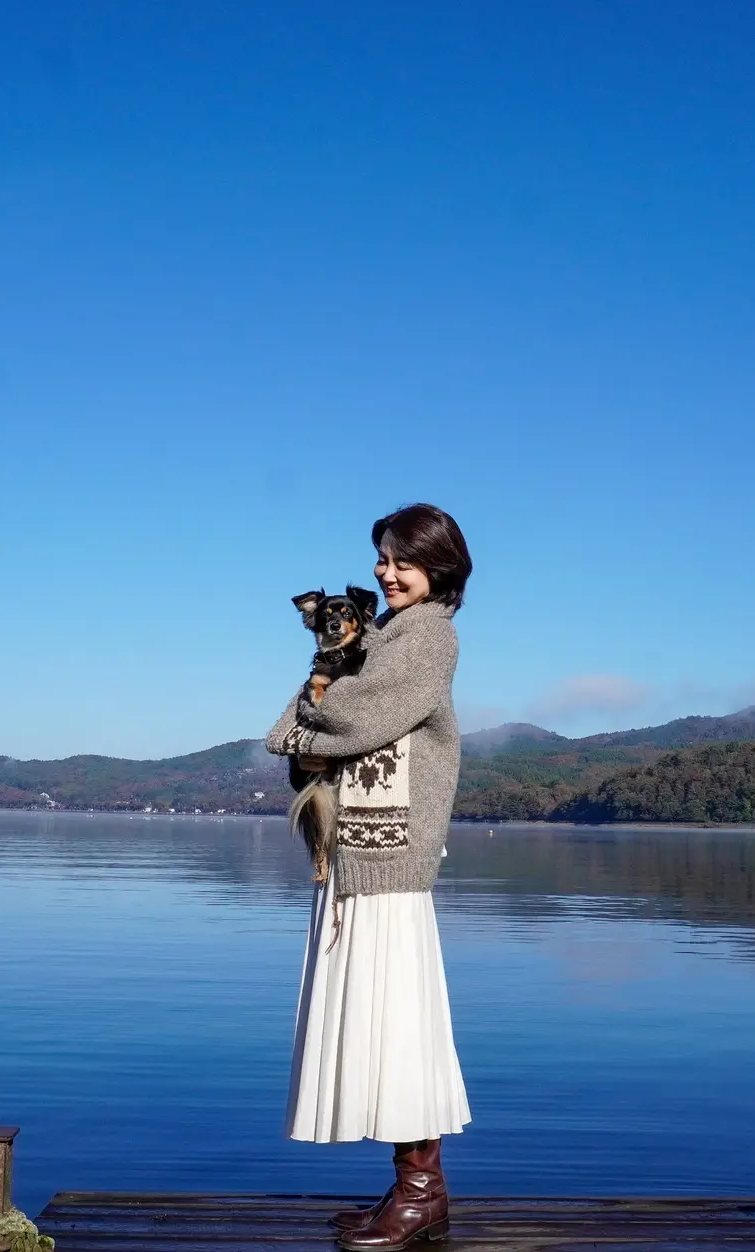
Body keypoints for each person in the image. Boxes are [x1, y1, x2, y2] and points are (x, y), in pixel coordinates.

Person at [266, 503, 473, 1252]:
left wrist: (315, 708)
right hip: (357, 850)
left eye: (402, 561)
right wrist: (312, 713)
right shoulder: (383, 636)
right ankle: (416, 1190)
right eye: (383, 559)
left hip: (388, 859)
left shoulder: (427, 639)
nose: (387, 573)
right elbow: (287, 728)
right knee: (387, 1022)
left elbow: (348, 719)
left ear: (439, 569)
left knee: (399, 1025)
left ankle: (422, 1193)